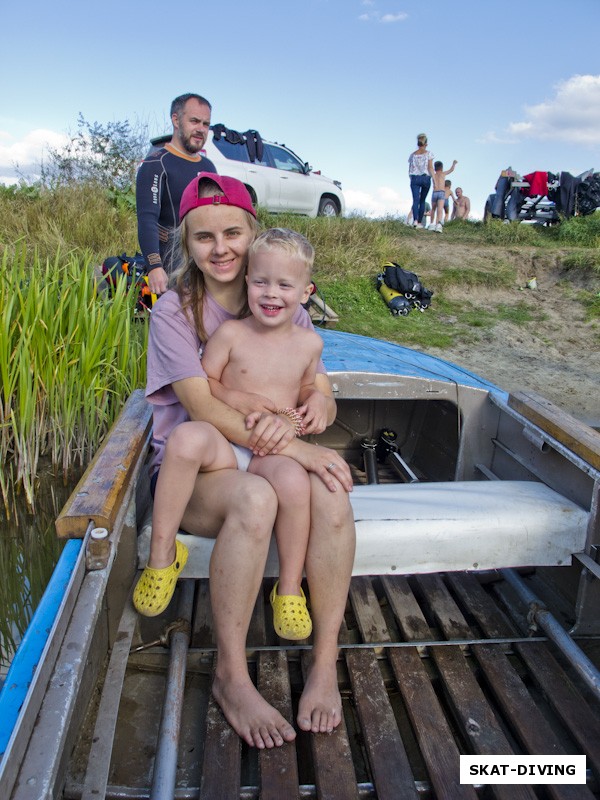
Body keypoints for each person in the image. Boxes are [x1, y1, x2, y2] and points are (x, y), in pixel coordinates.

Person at [134, 172, 356, 749]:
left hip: (267, 449)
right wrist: (300, 447)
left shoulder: (282, 301)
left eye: (232, 232)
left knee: (332, 490)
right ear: (186, 243)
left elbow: (313, 377)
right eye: (204, 238)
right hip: (203, 471)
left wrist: (323, 398)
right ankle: (231, 677)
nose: (221, 248)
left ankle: (324, 661)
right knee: (258, 497)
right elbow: (203, 404)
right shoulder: (175, 313)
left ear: (252, 231)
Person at [136, 93, 217, 295]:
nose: (201, 129)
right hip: (172, 260)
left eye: (206, 124)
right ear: (175, 120)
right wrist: (155, 267)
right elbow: (147, 219)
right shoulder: (156, 163)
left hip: (204, 255)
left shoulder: (209, 167)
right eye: (194, 121)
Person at [408, 133, 434, 228]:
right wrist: (434, 179)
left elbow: (410, 169)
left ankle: (414, 220)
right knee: (422, 200)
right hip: (425, 178)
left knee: (415, 200)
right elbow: (430, 168)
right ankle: (419, 222)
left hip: (414, 178)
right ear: (426, 143)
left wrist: (411, 178)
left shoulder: (412, 155)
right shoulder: (429, 154)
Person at [430, 160, 457, 231]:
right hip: (441, 192)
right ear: (442, 168)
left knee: (433, 209)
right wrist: (454, 163)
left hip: (435, 192)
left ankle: (431, 224)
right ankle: (438, 225)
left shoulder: (434, 175)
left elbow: (429, 170)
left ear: (435, 168)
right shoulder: (443, 173)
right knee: (440, 209)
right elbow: (451, 170)